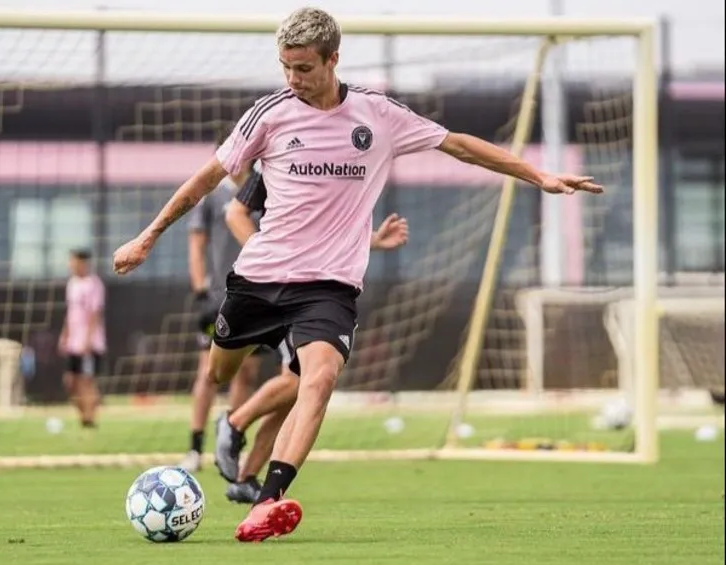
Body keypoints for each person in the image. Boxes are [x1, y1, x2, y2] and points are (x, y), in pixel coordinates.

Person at [113, 6, 602, 542]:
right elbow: (208, 178)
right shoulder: (268, 115)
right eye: (285, 68)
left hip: (329, 287)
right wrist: (147, 236)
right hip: (259, 277)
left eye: (304, 68)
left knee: (318, 379)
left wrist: (538, 175)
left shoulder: (377, 114)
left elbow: (459, 144)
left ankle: (267, 501)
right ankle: (230, 424)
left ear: (333, 59)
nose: (293, 79)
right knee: (218, 374)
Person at [216, 184, 411, 503]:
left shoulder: (335, 166)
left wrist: (372, 240)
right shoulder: (272, 163)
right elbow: (236, 213)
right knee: (297, 382)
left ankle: (246, 476)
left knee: (302, 389)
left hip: (312, 294)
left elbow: (323, 232)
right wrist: (270, 261)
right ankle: (234, 422)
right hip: (276, 288)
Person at [178, 128, 267, 475]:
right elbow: (196, 244)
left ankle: (229, 443)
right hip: (218, 297)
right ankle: (194, 447)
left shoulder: (264, 189)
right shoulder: (212, 195)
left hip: (257, 295)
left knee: (248, 372)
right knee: (208, 371)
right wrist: (200, 289)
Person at [58, 249, 106, 428]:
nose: (70, 265)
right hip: (73, 343)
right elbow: (70, 313)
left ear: (83, 263)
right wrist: (64, 335)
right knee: (71, 382)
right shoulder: (72, 284)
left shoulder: (94, 284)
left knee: (87, 381)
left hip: (90, 344)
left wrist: (88, 340)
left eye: (74, 261)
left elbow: (95, 313)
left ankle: (90, 419)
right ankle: (84, 416)